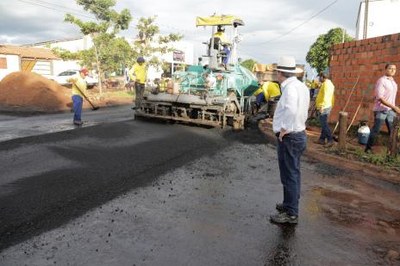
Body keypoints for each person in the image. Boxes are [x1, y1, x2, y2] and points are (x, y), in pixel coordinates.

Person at [270, 56, 310, 224]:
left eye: (277, 72)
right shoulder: (301, 86)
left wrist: (284, 129)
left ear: (280, 73)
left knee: (290, 174)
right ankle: (289, 204)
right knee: (292, 173)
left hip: (290, 136)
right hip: (298, 133)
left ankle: (291, 213)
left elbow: (292, 109)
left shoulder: (289, 89)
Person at [365, 63, 400, 153]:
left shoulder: (394, 83)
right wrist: (394, 107)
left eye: (394, 69)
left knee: (392, 131)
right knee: (376, 129)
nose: (392, 70)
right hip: (381, 110)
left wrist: (394, 108)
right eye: (390, 68)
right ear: (385, 69)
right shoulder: (381, 81)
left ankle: (393, 150)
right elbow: (380, 98)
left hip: (390, 111)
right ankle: (368, 148)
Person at [315, 70, 335, 146]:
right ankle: (322, 139)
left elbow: (326, 96)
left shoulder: (326, 84)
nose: (319, 78)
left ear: (323, 77)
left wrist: (322, 107)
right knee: (324, 123)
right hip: (328, 106)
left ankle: (330, 140)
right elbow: (332, 97)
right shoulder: (330, 84)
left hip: (324, 106)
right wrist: (331, 105)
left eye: (320, 77)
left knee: (324, 124)